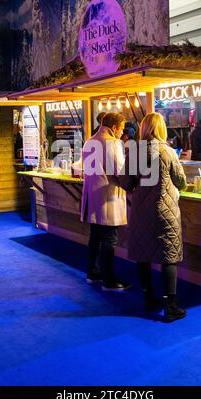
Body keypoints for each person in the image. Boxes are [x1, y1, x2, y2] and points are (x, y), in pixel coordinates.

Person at [119, 112, 187, 320]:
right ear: (161, 128)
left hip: (141, 210)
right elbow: (182, 181)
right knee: (169, 256)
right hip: (165, 211)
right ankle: (170, 305)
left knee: (143, 253)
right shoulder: (167, 151)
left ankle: (149, 299)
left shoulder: (135, 151)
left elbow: (126, 183)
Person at [81, 112, 132, 291]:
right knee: (110, 239)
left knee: (95, 237)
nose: (122, 132)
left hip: (92, 197)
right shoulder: (112, 143)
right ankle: (109, 280)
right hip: (107, 198)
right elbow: (120, 171)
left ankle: (93, 272)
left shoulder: (90, 141)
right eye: (122, 128)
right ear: (114, 127)